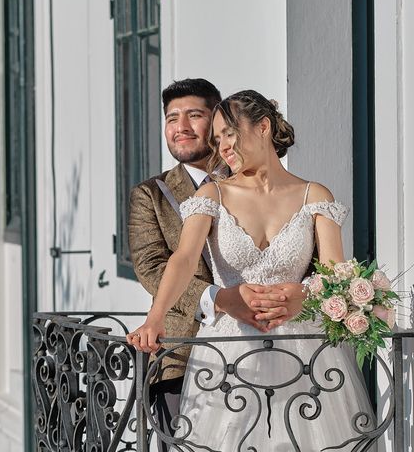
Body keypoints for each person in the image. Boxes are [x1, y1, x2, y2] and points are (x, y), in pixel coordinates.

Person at [127, 90, 375, 450]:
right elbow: (181, 259)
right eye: (217, 139)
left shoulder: (315, 195)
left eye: (229, 132)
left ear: (263, 127)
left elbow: (336, 273)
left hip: (305, 351)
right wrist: (156, 317)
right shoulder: (212, 195)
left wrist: (303, 295)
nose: (223, 146)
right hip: (231, 350)